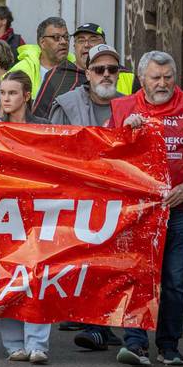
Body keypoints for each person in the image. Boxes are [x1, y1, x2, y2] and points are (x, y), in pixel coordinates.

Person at [113, 50, 183, 367]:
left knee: (174, 281)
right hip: (139, 212)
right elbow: (109, 156)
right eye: (155, 77)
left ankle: (169, 345)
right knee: (138, 277)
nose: (162, 83)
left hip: (178, 212)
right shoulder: (122, 109)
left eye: (168, 77)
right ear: (141, 80)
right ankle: (135, 343)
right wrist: (124, 134)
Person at [50, 43, 128, 348]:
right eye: (99, 69)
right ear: (87, 72)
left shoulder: (129, 105)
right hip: (78, 197)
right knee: (85, 261)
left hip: (118, 200)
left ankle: (102, 323)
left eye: (112, 70)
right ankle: (90, 321)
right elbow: (52, 151)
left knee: (110, 263)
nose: (106, 75)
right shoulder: (67, 105)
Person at [0, 70, 51, 363]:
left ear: (26, 95)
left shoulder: (43, 127)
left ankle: (38, 343)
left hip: (38, 211)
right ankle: (14, 343)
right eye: (2, 93)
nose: (6, 99)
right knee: (9, 277)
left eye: (12, 93)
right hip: (2, 213)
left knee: (39, 275)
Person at [9, 17, 81, 118]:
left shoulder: (78, 70)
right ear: (42, 42)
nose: (64, 42)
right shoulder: (21, 71)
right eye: (56, 37)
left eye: (66, 37)